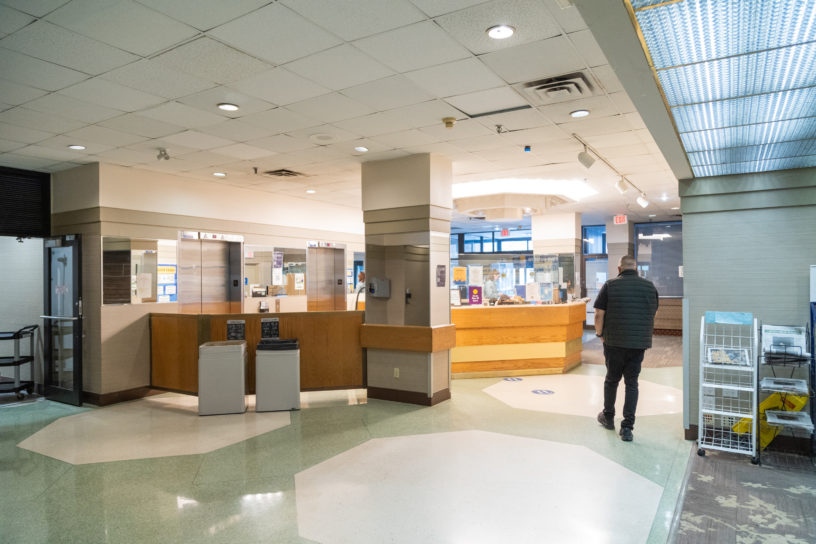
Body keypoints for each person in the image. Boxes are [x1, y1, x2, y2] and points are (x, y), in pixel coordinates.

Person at [594, 255, 658, 442]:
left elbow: (598, 314)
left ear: (619, 268)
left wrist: (599, 334)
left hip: (614, 342)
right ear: (636, 269)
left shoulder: (610, 285)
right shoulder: (649, 287)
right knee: (632, 383)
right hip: (638, 343)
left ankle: (608, 417)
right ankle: (627, 428)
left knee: (612, 380)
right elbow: (652, 311)